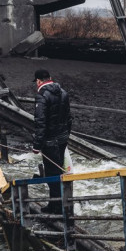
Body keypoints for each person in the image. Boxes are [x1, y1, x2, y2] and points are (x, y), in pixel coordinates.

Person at [32, 69, 72, 214]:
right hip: (62, 139)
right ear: (50, 78)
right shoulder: (63, 92)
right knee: (59, 170)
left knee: (51, 174)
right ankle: (59, 203)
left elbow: (40, 122)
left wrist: (37, 145)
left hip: (49, 142)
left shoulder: (42, 96)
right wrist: (66, 135)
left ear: (38, 81)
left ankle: (56, 206)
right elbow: (69, 118)